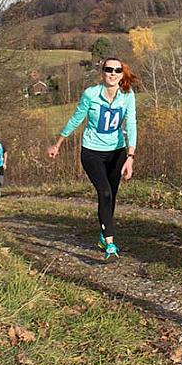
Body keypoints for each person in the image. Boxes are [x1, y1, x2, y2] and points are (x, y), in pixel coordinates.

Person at [47, 58, 138, 260]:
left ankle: (104, 232)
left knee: (111, 196)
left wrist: (130, 156)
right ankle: (111, 245)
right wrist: (58, 143)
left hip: (117, 152)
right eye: (108, 69)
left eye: (117, 70)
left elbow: (131, 124)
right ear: (102, 73)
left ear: (122, 74)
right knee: (104, 193)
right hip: (92, 152)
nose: (112, 73)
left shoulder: (127, 95)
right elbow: (76, 118)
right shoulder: (91, 94)